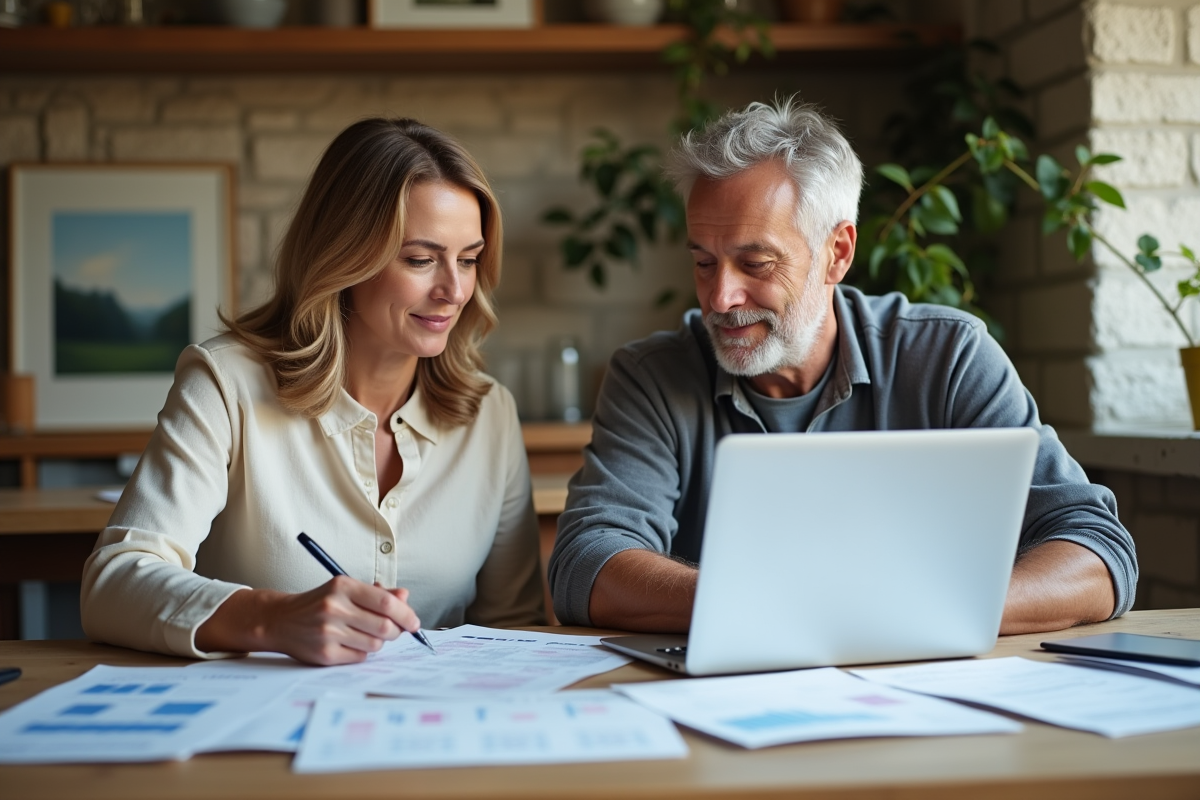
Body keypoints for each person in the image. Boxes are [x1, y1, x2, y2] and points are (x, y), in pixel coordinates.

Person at [548, 97, 1137, 636]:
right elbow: (586, 562)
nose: (720, 297)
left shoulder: (949, 357)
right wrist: (792, 603)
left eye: (755, 263)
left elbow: (1096, 550)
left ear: (838, 253)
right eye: (704, 262)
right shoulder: (650, 376)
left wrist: (916, 611)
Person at [82, 118, 544, 665]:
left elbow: (517, 627)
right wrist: (271, 618)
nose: (454, 290)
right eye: (421, 260)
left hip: (432, 728)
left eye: (468, 259)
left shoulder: (489, 411)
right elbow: (113, 583)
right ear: (345, 256)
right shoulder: (226, 384)